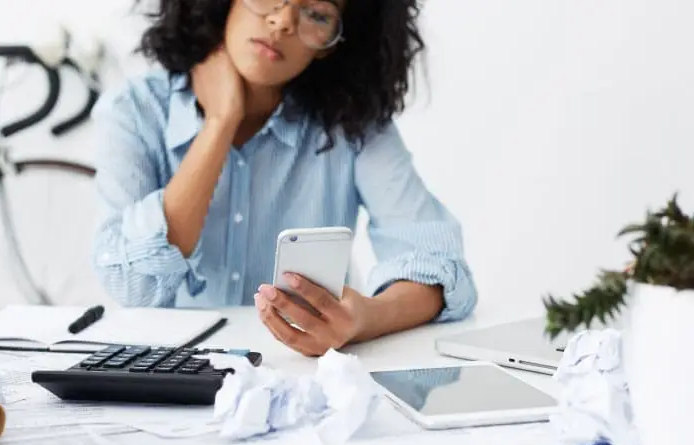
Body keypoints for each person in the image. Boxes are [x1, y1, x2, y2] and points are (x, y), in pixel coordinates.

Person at [91, 0, 478, 356]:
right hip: (166, 378)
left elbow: (440, 266)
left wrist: (365, 319)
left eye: (317, 14)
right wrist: (220, 123)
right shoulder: (133, 112)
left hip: (300, 379)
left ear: (332, 42)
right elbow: (132, 285)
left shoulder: (353, 126)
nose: (282, 22)